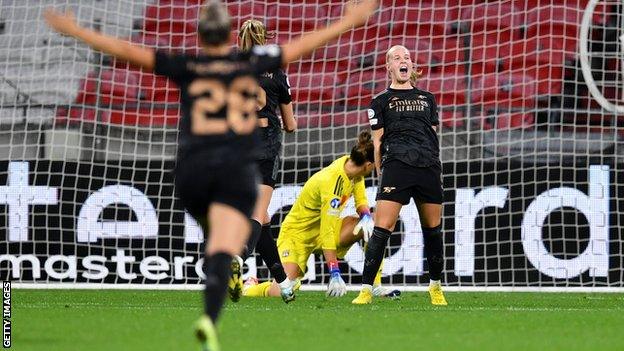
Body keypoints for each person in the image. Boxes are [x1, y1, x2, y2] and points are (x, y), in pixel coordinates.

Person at [44, 1, 378, 349]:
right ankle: (215, 304)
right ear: (228, 33)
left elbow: (128, 51)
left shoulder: (188, 64)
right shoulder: (250, 64)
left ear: (200, 35)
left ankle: (233, 291)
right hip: (234, 165)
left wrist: (76, 31)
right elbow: (303, 45)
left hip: (192, 170)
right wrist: (348, 21)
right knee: (236, 235)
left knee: (220, 235)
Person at [243, 132, 398, 299]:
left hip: (325, 229)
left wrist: (366, 215)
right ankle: (250, 287)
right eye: (376, 164)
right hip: (297, 236)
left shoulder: (352, 168)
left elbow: (361, 201)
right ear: (368, 165)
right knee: (280, 291)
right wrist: (334, 272)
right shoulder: (332, 183)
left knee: (375, 223)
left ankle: (375, 285)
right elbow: (327, 232)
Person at [352, 45, 448, 306]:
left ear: (411, 65)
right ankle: (365, 289)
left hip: (427, 166)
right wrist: (382, 172)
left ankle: (436, 287)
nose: (403, 60)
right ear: (389, 67)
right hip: (397, 166)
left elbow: (433, 134)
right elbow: (377, 141)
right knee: (382, 229)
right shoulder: (380, 101)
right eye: (397, 57)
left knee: (433, 230)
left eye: (407, 56)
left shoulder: (428, 98)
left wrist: (434, 164)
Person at [231, 19, 298, 304]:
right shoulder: (277, 73)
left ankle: (283, 283)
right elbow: (291, 124)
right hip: (266, 142)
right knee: (258, 212)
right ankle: (237, 257)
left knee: (264, 220)